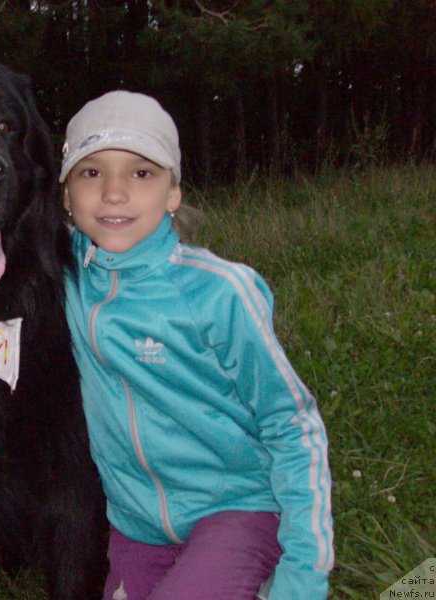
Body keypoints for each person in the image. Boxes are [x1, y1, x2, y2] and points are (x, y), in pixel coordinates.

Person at [59, 90, 333, 600]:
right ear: (67, 197)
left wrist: (305, 573)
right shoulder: (64, 276)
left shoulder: (219, 292)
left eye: (142, 173)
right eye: (91, 172)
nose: (114, 193)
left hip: (236, 509)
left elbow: (292, 424)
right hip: (136, 525)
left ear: (173, 194)